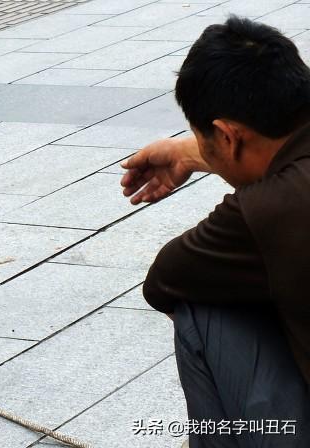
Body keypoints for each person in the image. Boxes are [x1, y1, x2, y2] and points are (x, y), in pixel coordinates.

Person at [121, 16, 310, 448]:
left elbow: (164, 280)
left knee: (201, 302)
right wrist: (194, 153)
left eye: (205, 139)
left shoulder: (265, 209)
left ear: (227, 136)